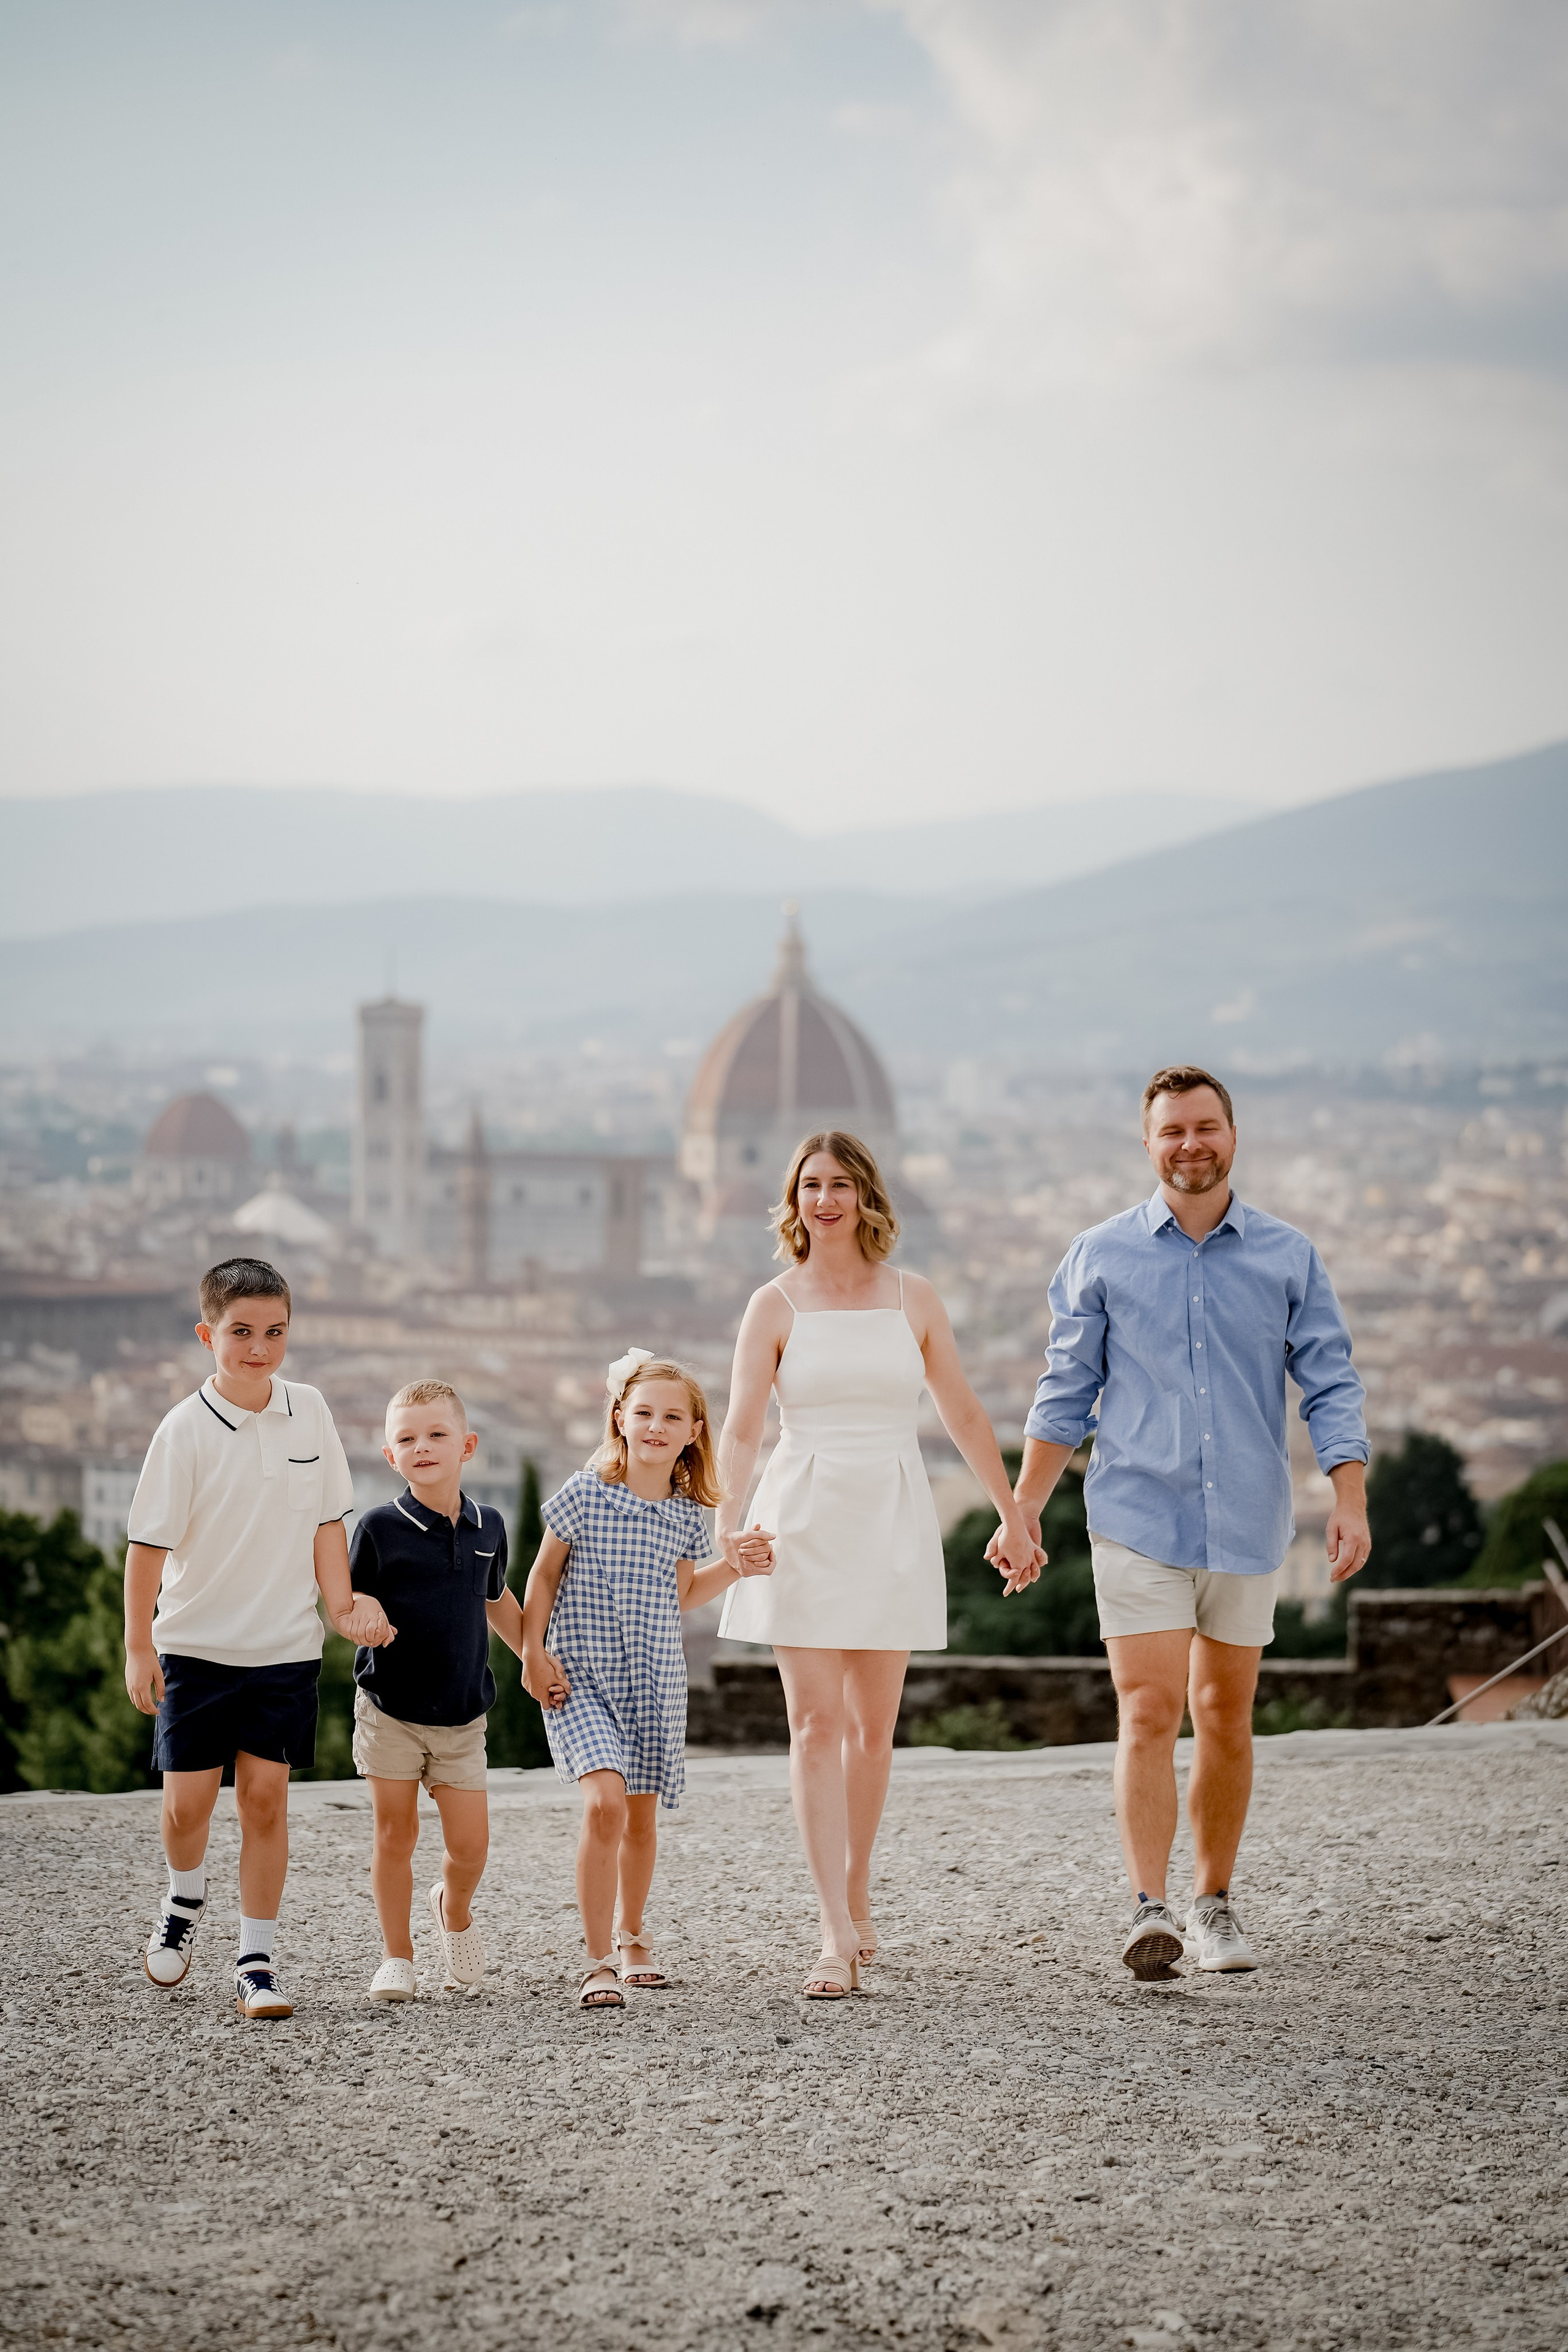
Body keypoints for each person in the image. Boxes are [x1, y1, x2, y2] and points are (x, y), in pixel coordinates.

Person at [996, 1066, 1371, 1978]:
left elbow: (1329, 1380)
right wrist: (1024, 1511)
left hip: (1248, 1516)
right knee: (1151, 1708)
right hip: (1136, 1515)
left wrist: (1349, 1496)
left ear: (1232, 1135)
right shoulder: (1099, 1254)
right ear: (1149, 1142)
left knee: (1226, 1715)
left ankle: (1215, 1902)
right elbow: (1066, 1392)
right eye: (1173, 1131)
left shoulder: (1289, 1255)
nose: (1190, 1144)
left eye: (1205, 1128)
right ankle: (1147, 1907)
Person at [717, 1131, 1041, 2000]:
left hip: (892, 1516)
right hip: (802, 1517)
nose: (825, 1199)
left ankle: (856, 1890)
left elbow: (966, 1414)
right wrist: (724, 1519)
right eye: (810, 1185)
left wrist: (1015, 1516)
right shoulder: (773, 1304)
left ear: (866, 1196)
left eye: (840, 1184)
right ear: (794, 1200)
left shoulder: (915, 1298)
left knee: (871, 1733)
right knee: (816, 1727)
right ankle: (832, 1927)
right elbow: (744, 1425)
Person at [123, 1256, 392, 2019]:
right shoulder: (181, 1432)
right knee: (186, 1810)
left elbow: (327, 1522)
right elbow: (146, 1549)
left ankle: (257, 1962)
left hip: (283, 1648)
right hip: (195, 1647)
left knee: (267, 1803)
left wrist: (341, 1607)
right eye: (241, 1332)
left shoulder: (310, 1410)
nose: (260, 1348)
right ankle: (184, 1896)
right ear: (208, 1335)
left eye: (275, 1331)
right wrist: (140, 1646)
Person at [520, 1351, 772, 2011]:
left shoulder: (688, 1514)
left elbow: (684, 1593)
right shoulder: (584, 1492)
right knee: (603, 1803)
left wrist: (735, 1564)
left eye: (671, 1417)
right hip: (581, 1677)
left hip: (654, 1679)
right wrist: (531, 1653)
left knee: (638, 1820)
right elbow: (543, 1576)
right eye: (644, 1413)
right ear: (619, 1419)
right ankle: (596, 1959)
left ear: (693, 1431)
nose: (655, 1426)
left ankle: (635, 1936)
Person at [347, 1379, 527, 2002]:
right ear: (390, 1456)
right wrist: (365, 1612)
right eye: (406, 1439)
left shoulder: (489, 1526)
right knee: (395, 1835)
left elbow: (496, 1598)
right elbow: (349, 1598)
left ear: (467, 1446)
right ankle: (397, 1956)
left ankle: (453, 1908)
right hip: (389, 1709)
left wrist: (534, 1655)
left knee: (471, 1848)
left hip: (462, 1715)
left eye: (436, 1434)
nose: (421, 1446)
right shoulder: (377, 1528)